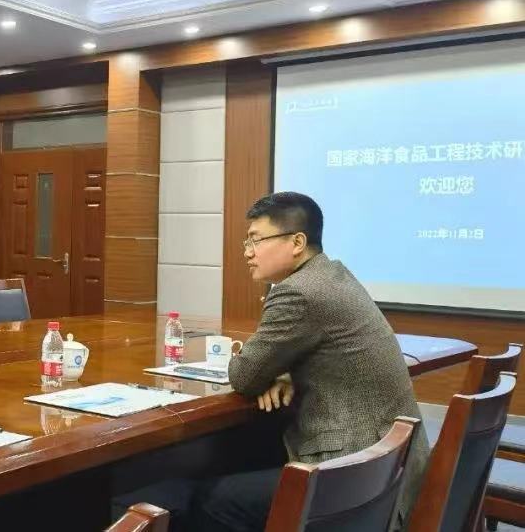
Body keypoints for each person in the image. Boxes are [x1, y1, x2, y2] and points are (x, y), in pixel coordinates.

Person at [116, 192, 429, 531]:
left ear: (297, 242)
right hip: (387, 463)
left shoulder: (299, 291)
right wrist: (282, 371)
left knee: (212, 499)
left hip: (350, 472)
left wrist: (272, 370)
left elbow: (245, 375)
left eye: (257, 240)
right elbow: (304, 354)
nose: (247, 252)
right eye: (247, 242)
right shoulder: (332, 275)